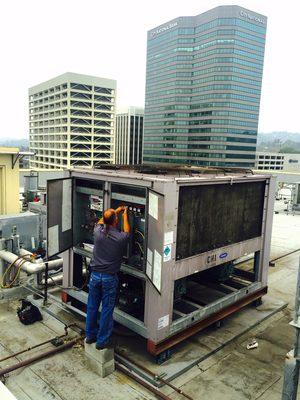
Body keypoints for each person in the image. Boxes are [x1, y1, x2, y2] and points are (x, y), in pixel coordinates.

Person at [85, 206, 130, 349]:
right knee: (106, 309)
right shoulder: (120, 238)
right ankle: (102, 341)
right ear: (115, 222)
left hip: (95, 276)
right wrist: (124, 214)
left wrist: (114, 212)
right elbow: (128, 231)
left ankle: (90, 336)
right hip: (109, 278)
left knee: (92, 306)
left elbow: (100, 221)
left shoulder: (97, 232)